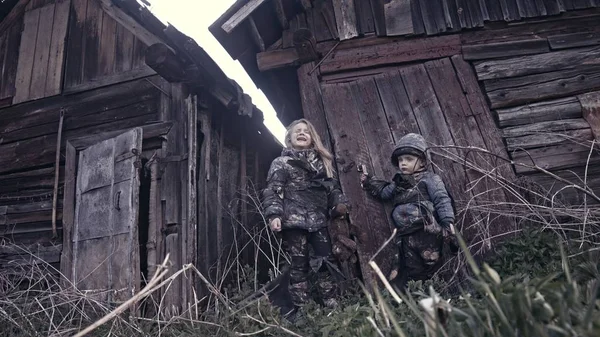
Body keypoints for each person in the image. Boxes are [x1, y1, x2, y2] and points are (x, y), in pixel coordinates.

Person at [262, 118, 349, 317]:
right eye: (297, 131)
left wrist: (339, 204)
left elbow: (332, 188)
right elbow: (273, 190)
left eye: (306, 131)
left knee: (325, 262)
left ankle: (332, 305)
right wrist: (274, 214)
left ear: (312, 138)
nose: (302, 133)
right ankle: (304, 310)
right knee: (298, 265)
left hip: (318, 221)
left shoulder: (321, 163)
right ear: (289, 138)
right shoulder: (282, 162)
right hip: (293, 221)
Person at [360, 133, 458, 290]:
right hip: (406, 238)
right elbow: (385, 192)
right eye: (400, 160)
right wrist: (369, 181)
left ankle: (438, 297)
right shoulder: (398, 182)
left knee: (432, 267)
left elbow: (441, 200)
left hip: (427, 234)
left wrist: (448, 223)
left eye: (409, 159)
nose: (403, 163)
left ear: (423, 161)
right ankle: (417, 300)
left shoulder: (430, 179)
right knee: (412, 271)